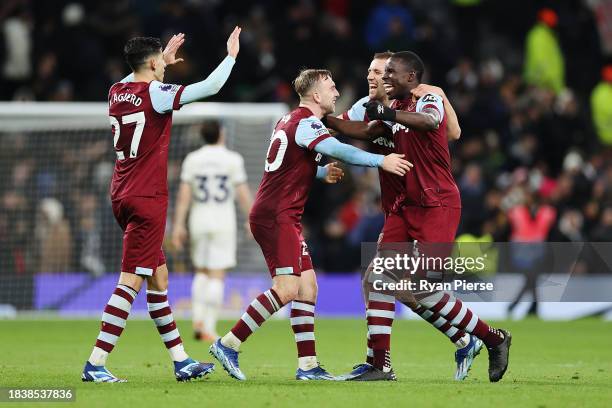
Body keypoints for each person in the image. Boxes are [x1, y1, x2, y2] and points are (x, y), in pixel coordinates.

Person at [209, 68, 412, 381]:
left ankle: (308, 367)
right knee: (287, 288)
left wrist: (318, 173)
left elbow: (285, 166)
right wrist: (379, 161)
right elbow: (338, 149)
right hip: (276, 215)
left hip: (280, 214)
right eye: (331, 88)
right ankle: (229, 343)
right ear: (316, 95)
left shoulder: (290, 120)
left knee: (308, 286)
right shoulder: (306, 122)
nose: (335, 94)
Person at [326, 51, 511, 382]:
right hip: (402, 207)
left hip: (436, 205)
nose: (380, 78)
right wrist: (320, 119)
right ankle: (380, 366)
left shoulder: (428, 98)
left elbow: (434, 124)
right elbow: (363, 131)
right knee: (379, 279)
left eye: (387, 73)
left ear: (409, 77)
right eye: (376, 72)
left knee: (419, 288)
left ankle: (491, 338)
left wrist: (386, 111)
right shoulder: (385, 110)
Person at [82, 28, 241, 383]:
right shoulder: (156, 93)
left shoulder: (116, 91)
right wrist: (230, 56)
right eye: (161, 64)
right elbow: (210, 87)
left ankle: (182, 360)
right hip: (147, 198)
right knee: (130, 282)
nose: (166, 68)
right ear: (152, 63)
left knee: (159, 276)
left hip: (121, 192)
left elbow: (133, 76)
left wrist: (158, 62)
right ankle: (95, 363)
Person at [172, 120, 253, 342]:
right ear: (222, 134)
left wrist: (178, 224)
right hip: (223, 221)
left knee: (201, 271)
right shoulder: (232, 159)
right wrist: (251, 218)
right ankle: (208, 327)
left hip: (198, 220)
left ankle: (198, 321)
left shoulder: (193, 159)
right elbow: (243, 193)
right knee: (217, 273)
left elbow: (184, 195)